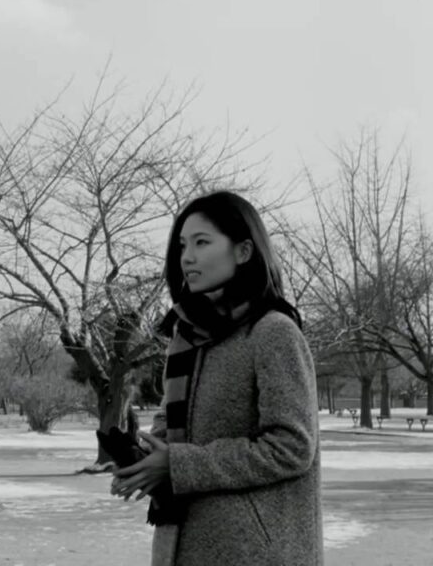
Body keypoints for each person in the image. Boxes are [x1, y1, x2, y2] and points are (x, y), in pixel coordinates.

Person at [110, 191, 323, 565]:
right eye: (182, 245)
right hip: (185, 541)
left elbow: (292, 447)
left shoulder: (273, 333)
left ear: (243, 251)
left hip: (256, 553)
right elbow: (170, 426)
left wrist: (178, 464)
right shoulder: (187, 337)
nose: (187, 257)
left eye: (202, 242)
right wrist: (145, 462)